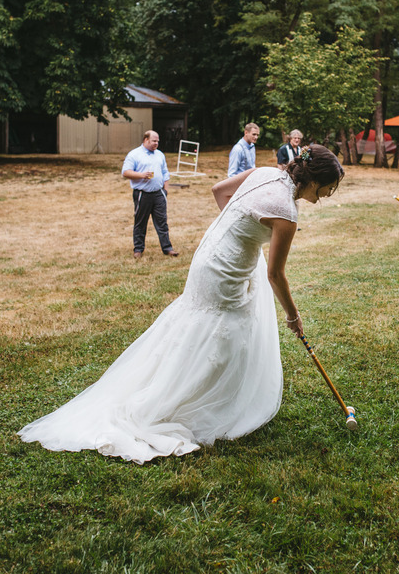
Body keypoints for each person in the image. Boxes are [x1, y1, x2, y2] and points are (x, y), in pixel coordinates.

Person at [19, 145, 345, 464]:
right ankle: (203, 402)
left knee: (200, 323)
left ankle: (188, 388)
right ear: (315, 179)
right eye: (328, 189)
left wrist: (237, 236)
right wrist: (293, 315)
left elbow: (219, 191)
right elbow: (275, 274)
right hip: (226, 272)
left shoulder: (265, 173)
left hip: (210, 255)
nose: (327, 196)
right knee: (227, 330)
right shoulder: (286, 212)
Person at [121, 130, 179, 260]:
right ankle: (138, 249)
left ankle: (167, 248)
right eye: (154, 141)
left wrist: (165, 190)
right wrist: (141, 175)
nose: (156, 143)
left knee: (162, 222)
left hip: (158, 194)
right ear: (146, 140)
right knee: (140, 222)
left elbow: (165, 172)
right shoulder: (135, 155)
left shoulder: (160, 155)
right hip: (143, 194)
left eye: (158, 141)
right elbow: (125, 172)